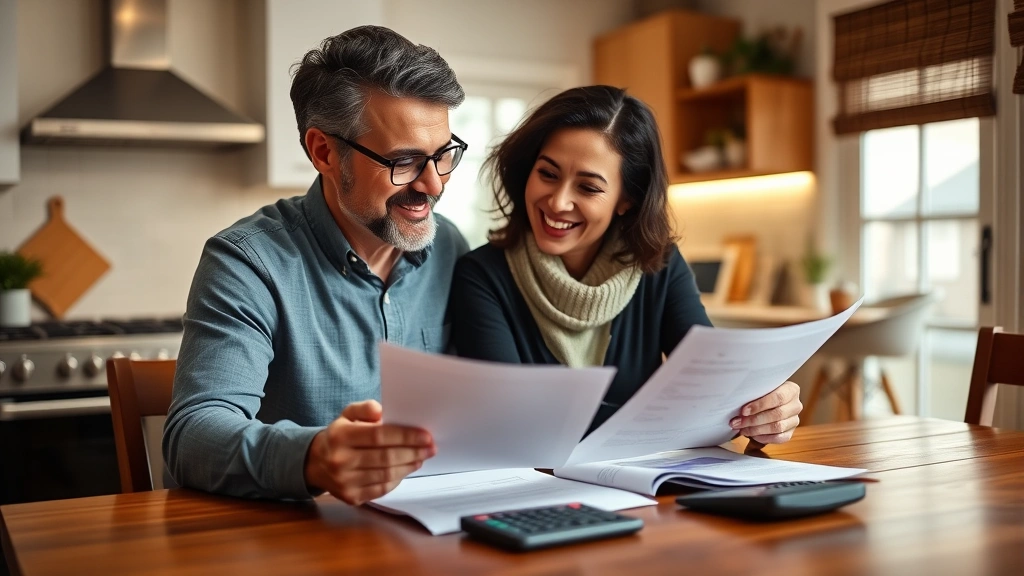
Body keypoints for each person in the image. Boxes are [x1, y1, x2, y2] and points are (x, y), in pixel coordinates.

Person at [163, 26, 469, 505]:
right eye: (405, 161)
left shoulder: (449, 246)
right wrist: (314, 456)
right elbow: (191, 436)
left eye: (443, 155)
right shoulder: (248, 261)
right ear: (325, 152)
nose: (433, 185)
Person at [449, 85, 802, 444]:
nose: (557, 202)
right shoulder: (481, 276)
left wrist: (766, 413)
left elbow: (714, 390)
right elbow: (508, 422)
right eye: (548, 174)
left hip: (641, 489)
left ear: (626, 200)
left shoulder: (659, 265)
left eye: (588, 188)